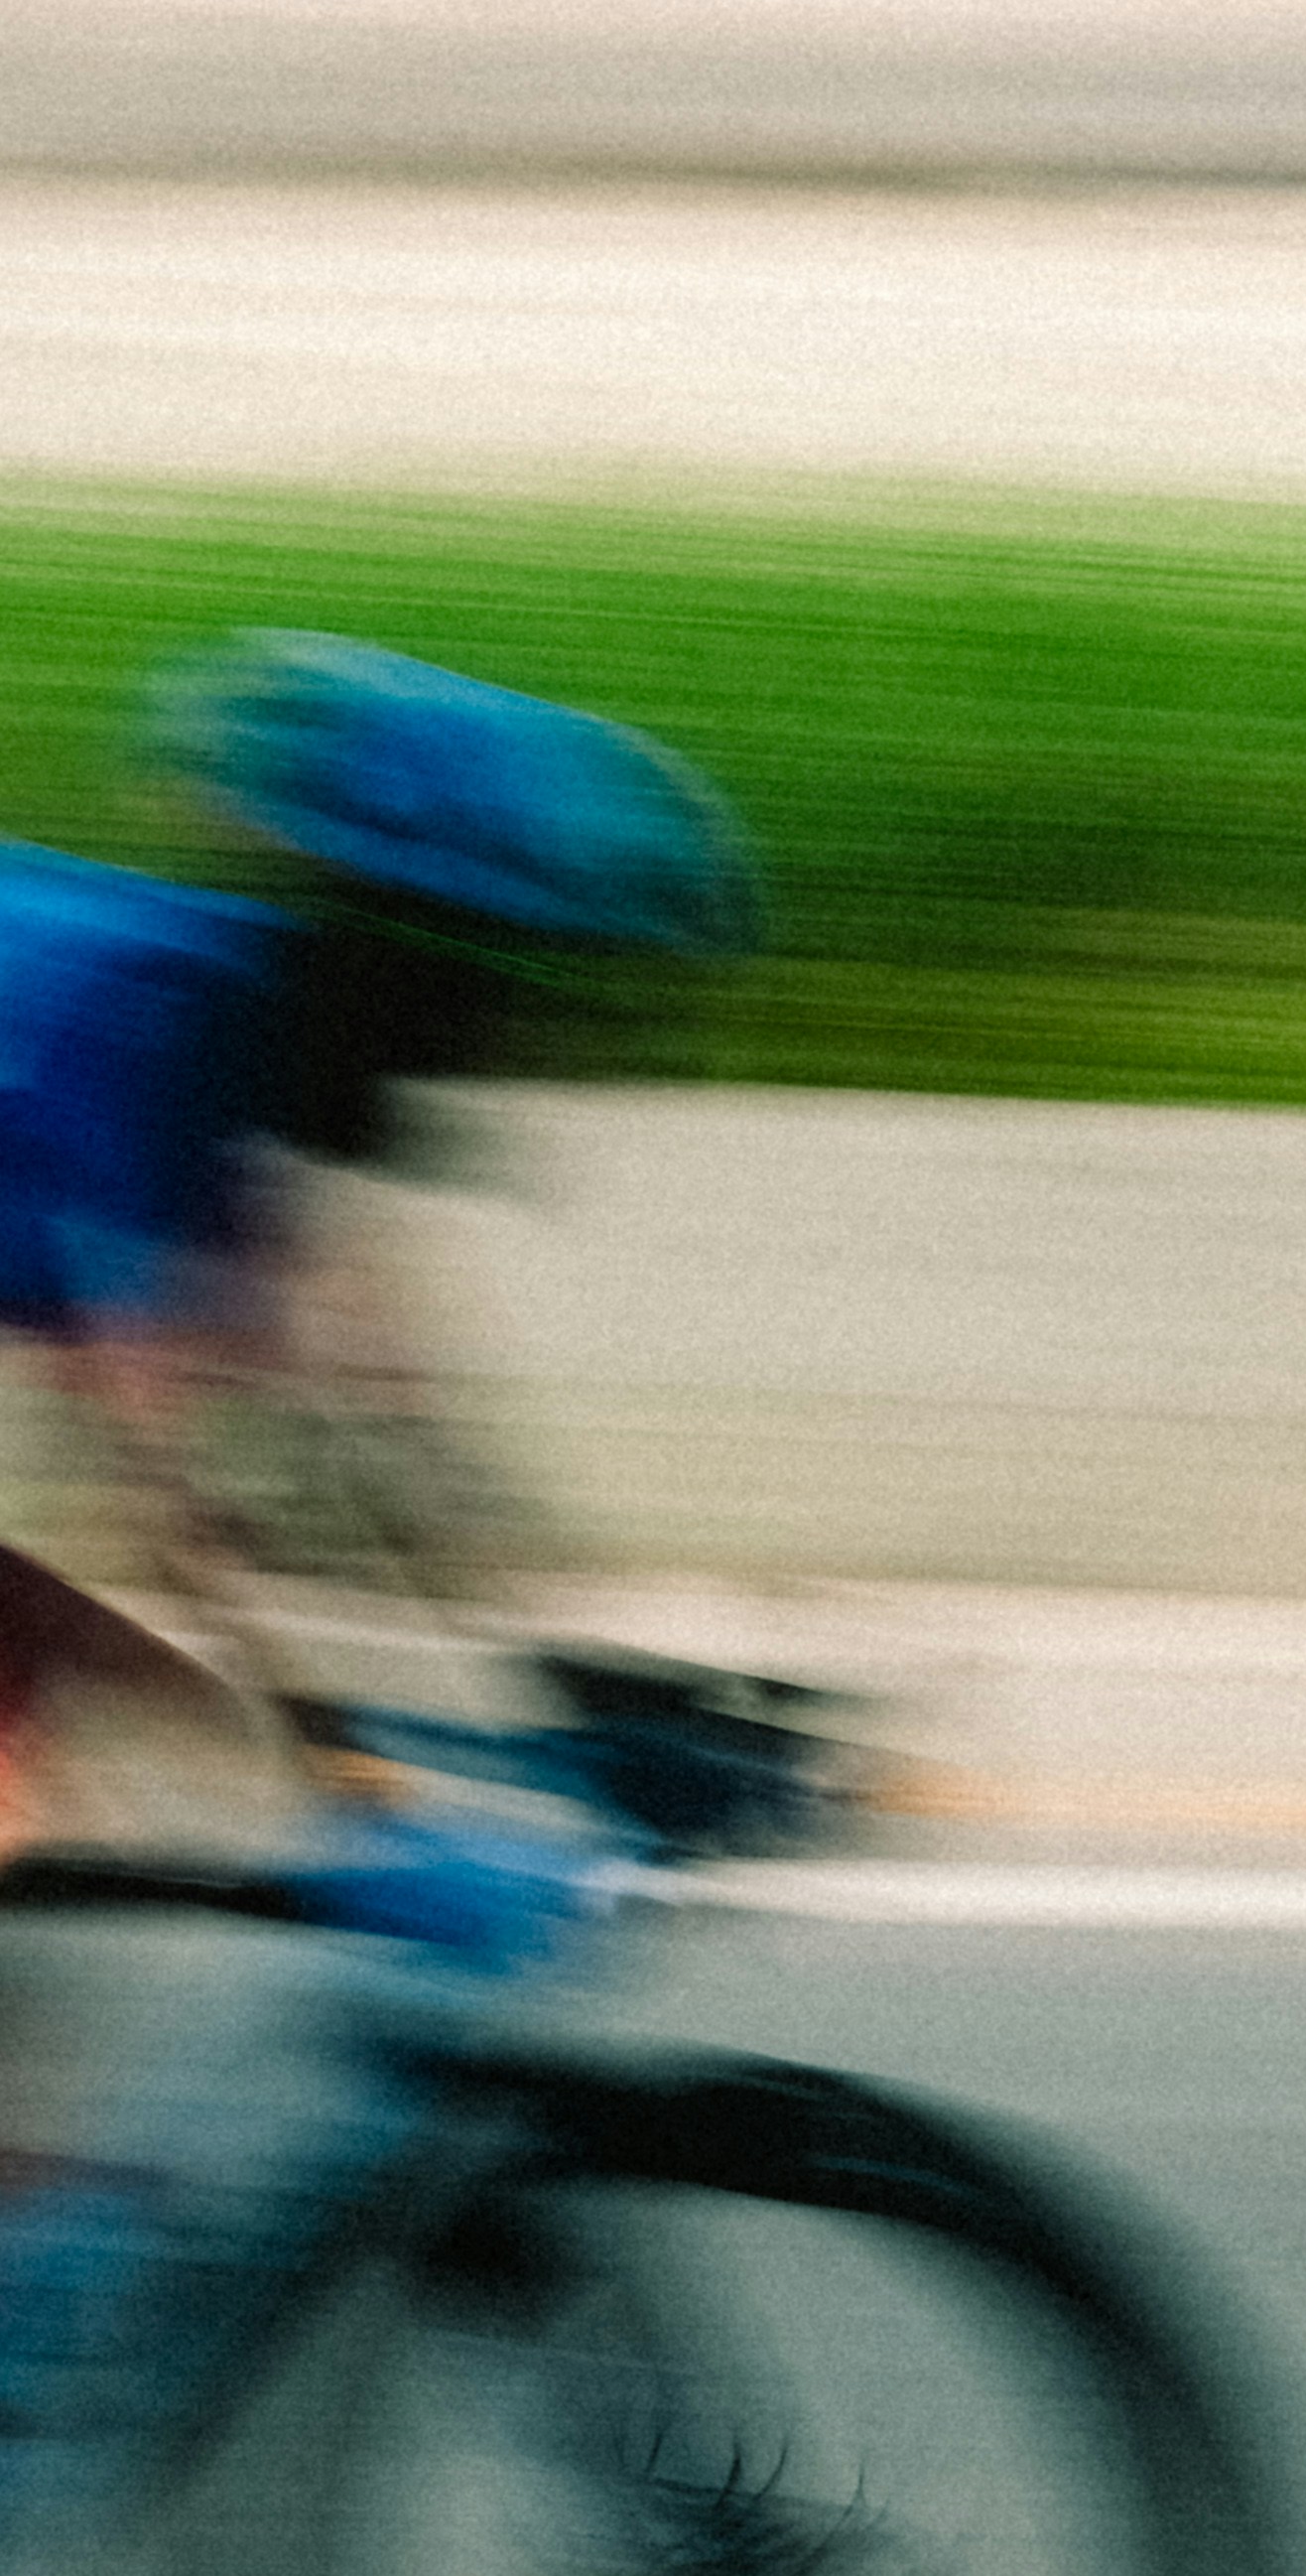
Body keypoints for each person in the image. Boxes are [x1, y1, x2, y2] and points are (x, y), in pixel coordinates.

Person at [0, 632, 754, 1839]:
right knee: (61, 1755)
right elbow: (159, 1475)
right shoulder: (143, 1033)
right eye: (498, 996)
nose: (504, 1045)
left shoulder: (242, 1024)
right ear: (397, 969)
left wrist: (544, 1680)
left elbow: (363, 1391)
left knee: (130, 1719)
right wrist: (330, 1754)